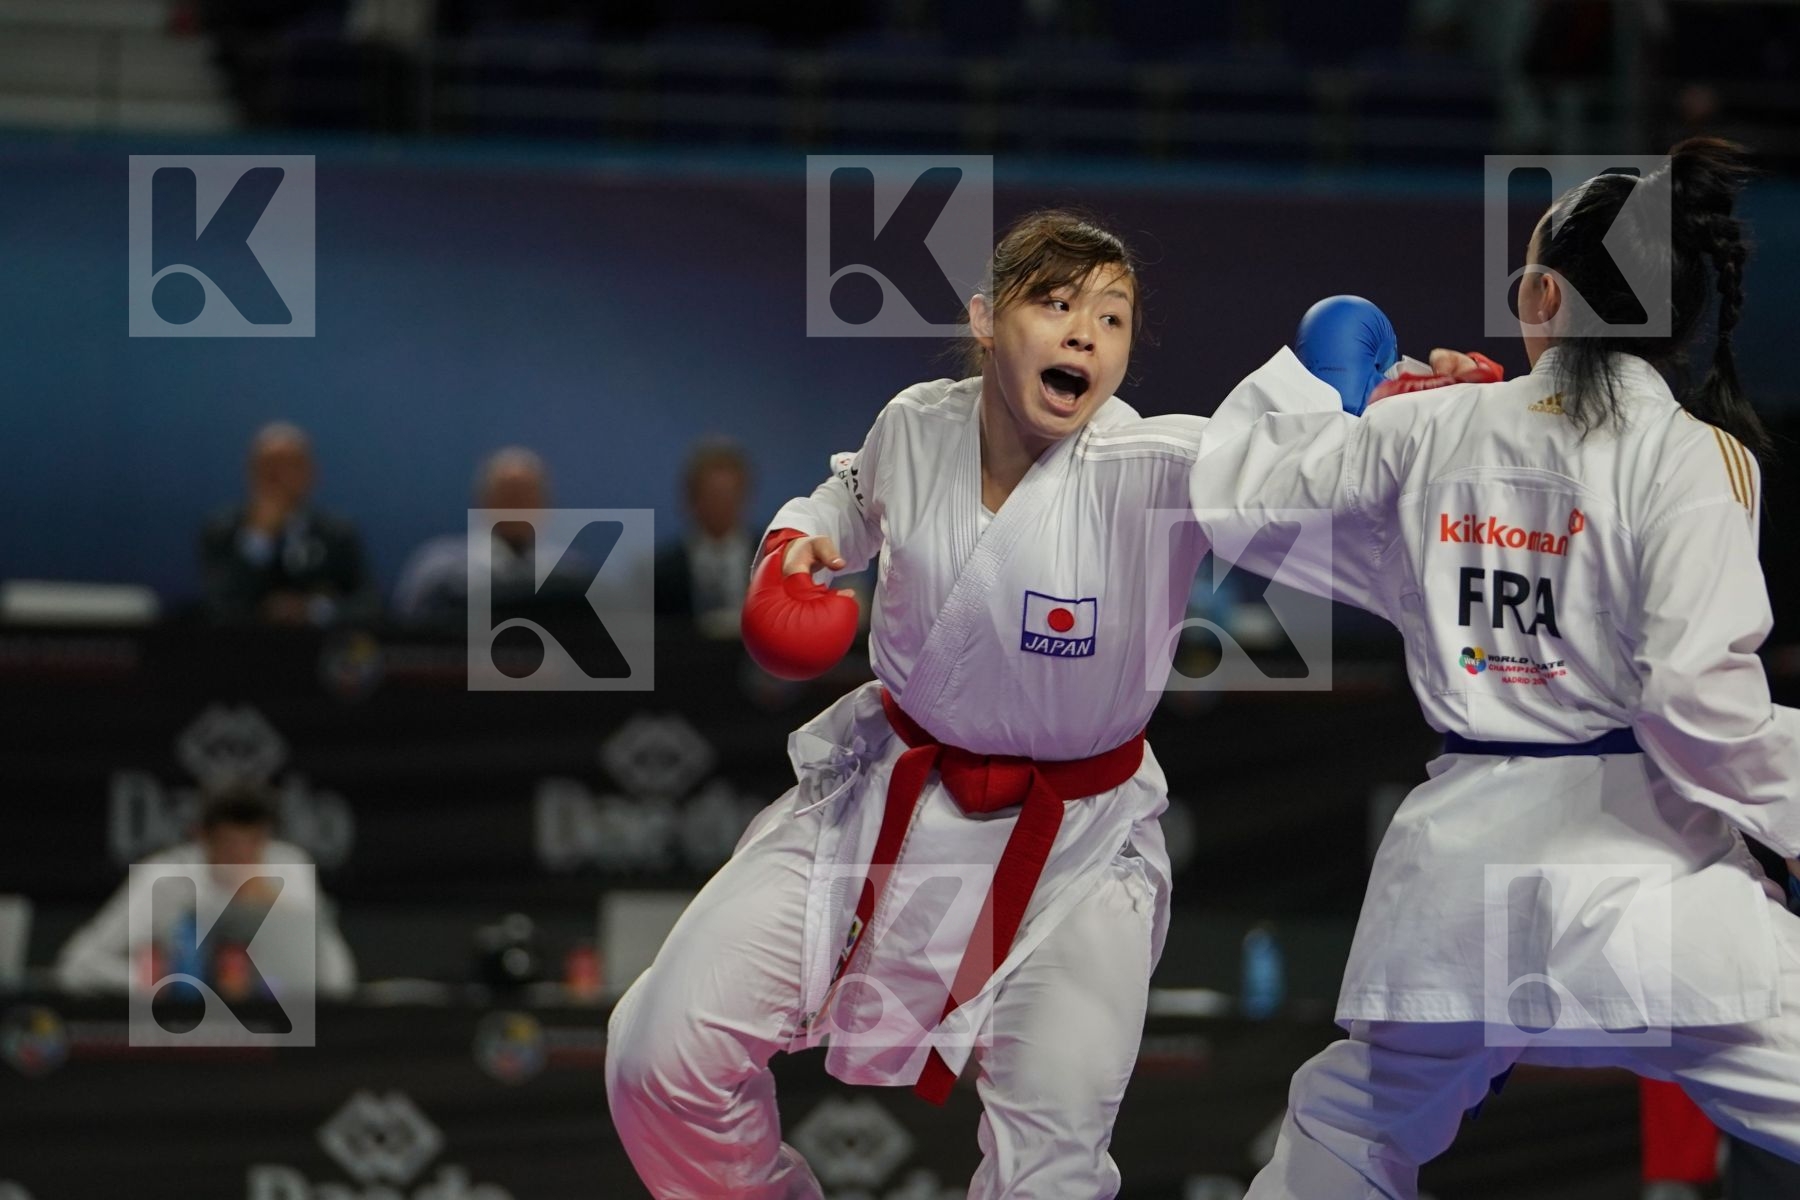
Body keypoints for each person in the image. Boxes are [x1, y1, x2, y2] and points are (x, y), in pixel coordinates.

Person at [603, 209, 1366, 1198]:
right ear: (984, 320)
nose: (1085, 334)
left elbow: (1305, 471)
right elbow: (847, 498)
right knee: (659, 1056)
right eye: (1056, 304)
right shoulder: (916, 425)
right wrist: (792, 546)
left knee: (1051, 1171)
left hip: (1076, 852)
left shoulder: (1158, 467)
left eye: (1113, 318)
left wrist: (1405, 405)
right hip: (885, 802)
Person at [1183, 138, 1800, 1198]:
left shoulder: (1436, 424)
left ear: (1546, 295)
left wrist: (1333, 395)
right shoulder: (1695, 455)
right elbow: (1695, 699)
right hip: (1650, 892)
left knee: (1346, 1130)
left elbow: (1243, 505)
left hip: (1462, 899)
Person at [55, 783, 357, 1000]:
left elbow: (338, 978)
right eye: (229, 845)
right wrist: (148, 984)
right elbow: (77, 966)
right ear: (202, 838)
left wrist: (277, 912)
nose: (242, 857)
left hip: (269, 1033)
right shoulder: (162, 878)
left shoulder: (289, 869)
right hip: (177, 1033)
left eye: (253, 844)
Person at [200, 422, 379, 626]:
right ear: (250, 473)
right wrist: (259, 537)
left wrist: (313, 610)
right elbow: (220, 605)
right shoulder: (222, 531)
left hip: (319, 643)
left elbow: (369, 606)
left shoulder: (337, 533)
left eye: (290, 466)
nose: (279, 477)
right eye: (268, 467)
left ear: (310, 473)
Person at [392, 445, 553, 622]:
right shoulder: (439, 572)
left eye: (527, 496)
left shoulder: (564, 573)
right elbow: (407, 629)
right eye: (509, 495)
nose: (517, 506)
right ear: (484, 500)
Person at [652, 438, 758, 638]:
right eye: (712, 496)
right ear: (691, 500)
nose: (720, 506)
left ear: (745, 497)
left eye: (728, 496)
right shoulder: (663, 573)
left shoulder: (772, 560)